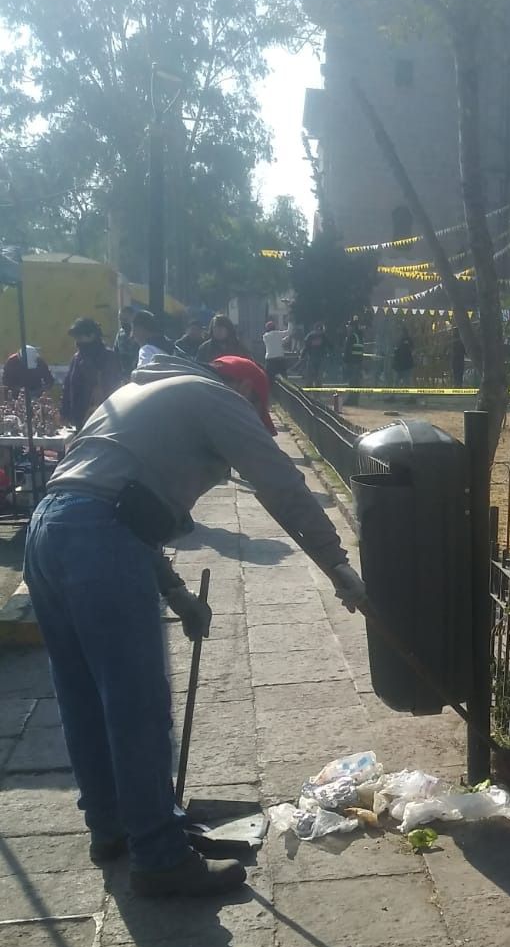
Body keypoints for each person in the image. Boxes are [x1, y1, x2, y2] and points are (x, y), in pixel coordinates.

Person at [22, 352, 367, 898]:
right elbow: (279, 483)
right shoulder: (217, 397)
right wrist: (338, 567)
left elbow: (106, 502)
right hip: (98, 541)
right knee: (136, 704)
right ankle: (159, 856)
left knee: (83, 694)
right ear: (243, 393)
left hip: (48, 532)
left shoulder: (135, 393)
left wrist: (176, 592)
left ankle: (111, 828)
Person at [60, 319, 123, 430]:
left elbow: (114, 387)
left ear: (92, 335)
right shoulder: (77, 357)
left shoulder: (108, 357)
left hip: (103, 416)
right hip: (80, 416)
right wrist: (65, 412)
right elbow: (68, 385)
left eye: (80, 337)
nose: (77, 341)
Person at [342, 320, 365, 388]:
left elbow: (347, 350)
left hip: (352, 362)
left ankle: (352, 396)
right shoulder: (359, 336)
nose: (347, 328)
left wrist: (345, 361)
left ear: (353, 327)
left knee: (352, 380)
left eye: (349, 326)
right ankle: (354, 396)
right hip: (358, 361)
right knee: (356, 380)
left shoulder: (351, 337)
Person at [115, 312, 138, 377]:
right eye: (120, 320)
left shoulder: (139, 332)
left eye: (125, 320)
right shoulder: (120, 333)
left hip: (137, 370)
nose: (122, 322)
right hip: (124, 372)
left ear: (133, 318)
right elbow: (116, 351)